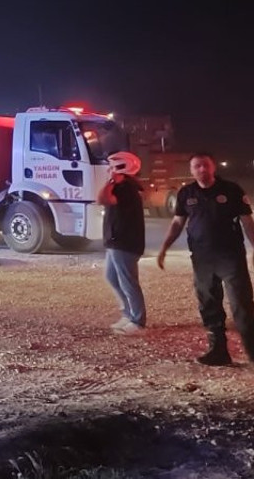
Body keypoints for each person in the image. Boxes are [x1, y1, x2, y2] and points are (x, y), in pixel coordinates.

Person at [156, 152, 254, 366]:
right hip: (202, 259)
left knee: (242, 305)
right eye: (196, 166)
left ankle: (252, 351)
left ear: (213, 167)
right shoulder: (186, 193)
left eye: (205, 165)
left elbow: (247, 222)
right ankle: (218, 351)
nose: (201, 169)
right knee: (209, 304)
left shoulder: (231, 190)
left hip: (231, 258)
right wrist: (164, 248)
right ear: (191, 170)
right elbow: (177, 224)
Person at [98, 151, 146, 334]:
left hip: (125, 241)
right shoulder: (123, 186)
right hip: (115, 240)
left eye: (113, 166)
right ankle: (128, 314)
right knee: (112, 277)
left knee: (128, 282)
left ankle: (138, 321)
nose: (109, 170)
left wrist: (111, 181)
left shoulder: (126, 187)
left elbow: (102, 199)